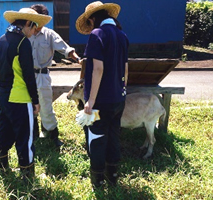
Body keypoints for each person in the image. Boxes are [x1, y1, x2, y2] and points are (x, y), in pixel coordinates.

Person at [0, 8, 51, 183]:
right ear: (27, 23)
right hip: (19, 97)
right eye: (33, 27)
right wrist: (35, 100)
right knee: (25, 137)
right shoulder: (22, 43)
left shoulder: (1, 40)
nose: (34, 31)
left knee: (4, 131)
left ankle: (1, 164)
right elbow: (28, 75)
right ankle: (27, 175)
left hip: (3, 95)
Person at [75, 1, 129, 188]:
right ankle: (112, 176)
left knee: (96, 138)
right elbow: (125, 69)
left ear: (92, 19)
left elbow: (97, 69)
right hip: (118, 98)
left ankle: (97, 182)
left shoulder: (97, 34)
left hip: (100, 100)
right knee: (114, 136)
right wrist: (122, 91)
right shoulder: (122, 35)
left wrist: (90, 101)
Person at [29, 4, 81, 147]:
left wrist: (78, 60)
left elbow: (66, 49)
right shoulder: (24, 34)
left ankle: (53, 136)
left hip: (42, 76)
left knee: (46, 107)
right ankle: (32, 137)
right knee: (27, 107)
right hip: (25, 76)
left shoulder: (49, 34)